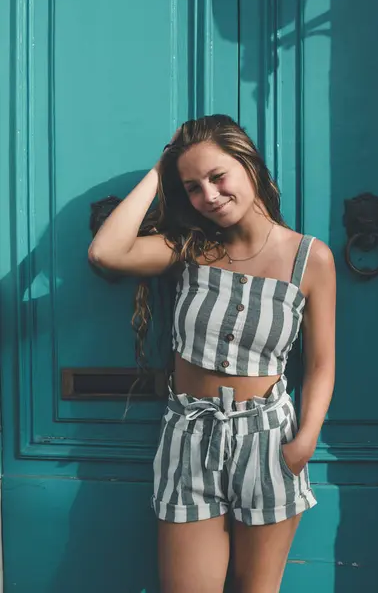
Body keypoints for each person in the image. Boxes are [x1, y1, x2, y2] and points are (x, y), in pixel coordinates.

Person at [89, 114, 336, 593]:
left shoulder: (311, 258)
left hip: (268, 441)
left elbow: (323, 365)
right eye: (192, 187)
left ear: (248, 164)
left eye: (217, 176)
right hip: (189, 436)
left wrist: (303, 444)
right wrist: (160, 172)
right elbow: (106, 253)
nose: (209, 195)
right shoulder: (190, 248)